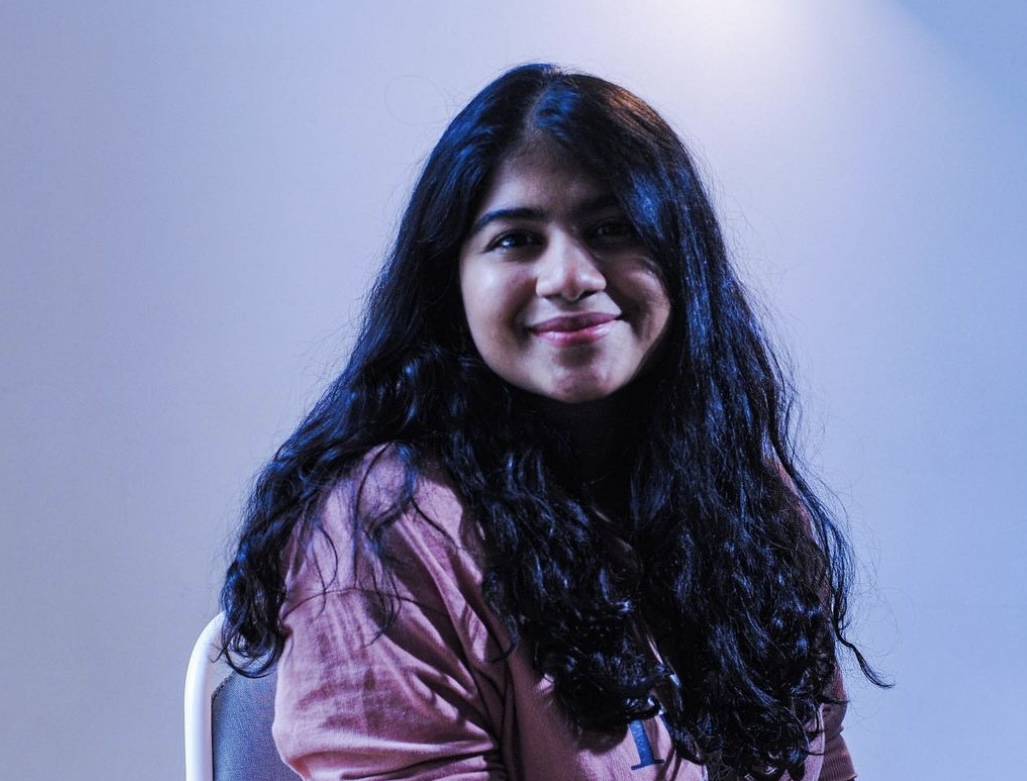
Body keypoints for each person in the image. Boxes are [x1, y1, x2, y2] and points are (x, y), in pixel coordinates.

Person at [221, 63, 881, 781]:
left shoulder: (747, 493)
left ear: (681, 260)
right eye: (516, 239)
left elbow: (821, 760)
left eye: (611, 228)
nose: (570, 275)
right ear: (451, 282)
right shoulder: (383, 532)